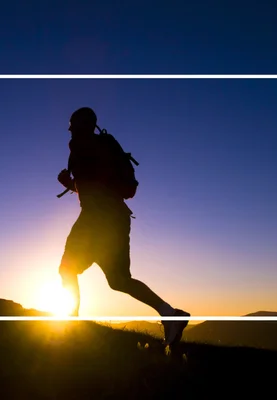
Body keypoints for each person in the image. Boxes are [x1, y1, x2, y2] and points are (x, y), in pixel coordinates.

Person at [56, 107, 190, 346]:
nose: (71, 131)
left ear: (78, 126)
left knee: (67, 269)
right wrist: (76, 184)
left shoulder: (81, 147)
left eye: (72, 126)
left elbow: (90, 187)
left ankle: (71, 326)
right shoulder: (104, 146)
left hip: (95, 219)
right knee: (119, 279)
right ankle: (170, 314)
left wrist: (69, 182)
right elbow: (101, 185)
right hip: (117, 219)